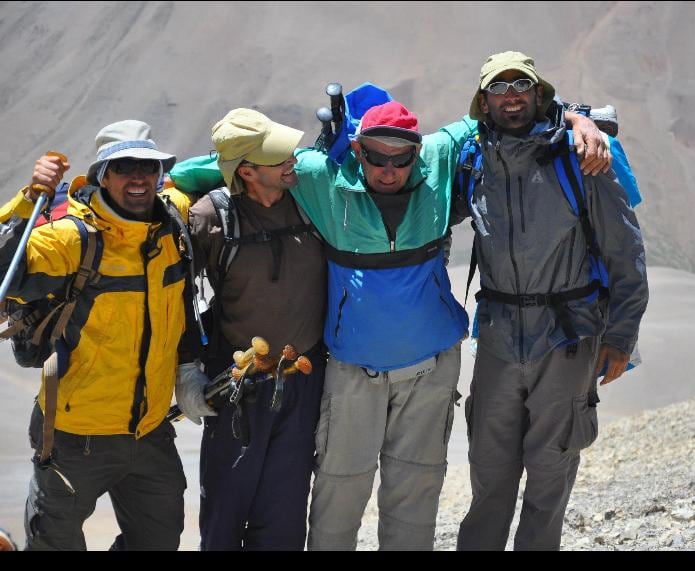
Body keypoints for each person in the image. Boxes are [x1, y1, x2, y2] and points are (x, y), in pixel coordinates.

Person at [289, 97, 609, 551]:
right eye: (375, 157)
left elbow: (498, 108)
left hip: (430, 369)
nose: (387, 169)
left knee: (415, 496)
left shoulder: (438, 157)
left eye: (400, 159)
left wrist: (576, 118)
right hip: (353, 370)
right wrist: (177, 190)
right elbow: (235, 161)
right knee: (339, 492)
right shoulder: (320, 176)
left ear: (416, 152)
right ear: (358, 150)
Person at [454, 51, 649, 551]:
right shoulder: (473, 161)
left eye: (522, 85)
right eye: (500, 88)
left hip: (567, 337)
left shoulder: (581, 158)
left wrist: (622, 337)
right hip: (497, 338)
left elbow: (626, 253)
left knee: (549, 475)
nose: (512, 96)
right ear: (484, 102)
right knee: (489, 476)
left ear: (540, 94)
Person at [0, 120, 190, 550]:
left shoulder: (171, 223)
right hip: (73, 435)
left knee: (158, 542)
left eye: (148, 166)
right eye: (124, 167)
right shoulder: (72, 238)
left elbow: (215, 167)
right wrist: (29, 198)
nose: (138, 177)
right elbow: (5, 274)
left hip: (150, 432)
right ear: (102, 176)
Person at [173, 108, 327, 550]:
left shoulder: (310, 200)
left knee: (284, 513)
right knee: (225, 507)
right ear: (247, 172)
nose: (290, 162)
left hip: (303, 377)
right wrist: (186, 370)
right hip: (238, 385)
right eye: (278, 158)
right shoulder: (210, 218)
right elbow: (176, 300)